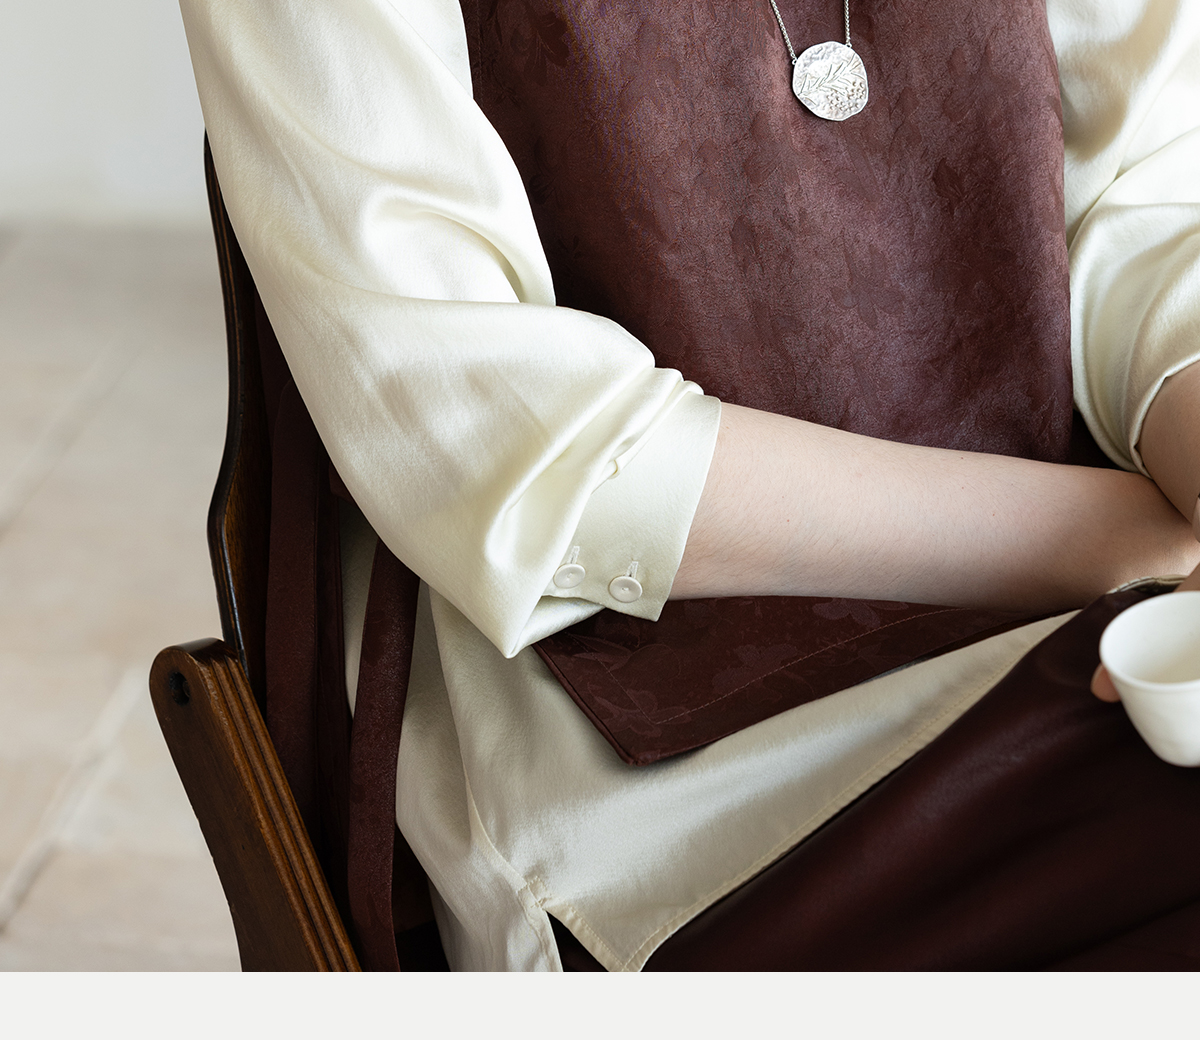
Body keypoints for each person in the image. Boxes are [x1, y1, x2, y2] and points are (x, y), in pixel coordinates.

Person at [179, 0, 1200, 969]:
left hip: (1088, 633)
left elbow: (1144, 201)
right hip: (663, 781)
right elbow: (506, 448)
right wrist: (1128, 540)